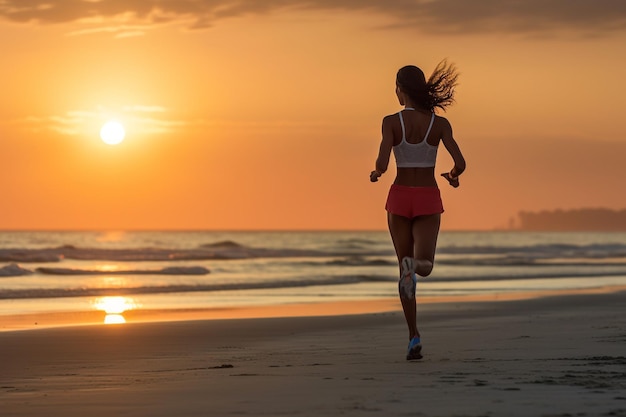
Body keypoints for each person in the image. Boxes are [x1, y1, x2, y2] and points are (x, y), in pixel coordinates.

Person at [370, 60, 466, 360]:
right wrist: (453, 176)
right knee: (424, 264)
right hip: (427, 197)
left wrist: (376, 174)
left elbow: (383, 161)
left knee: (404, 272)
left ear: (401, 90)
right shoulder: (439, 124)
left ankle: (413, 335)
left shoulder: (390, 122)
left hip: (399, 197)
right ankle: (415, 265)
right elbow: (460, 163)